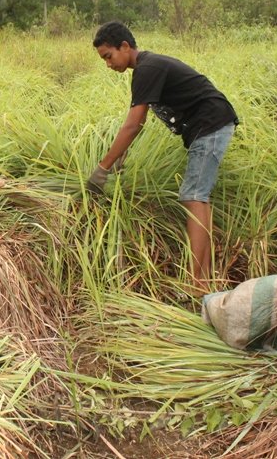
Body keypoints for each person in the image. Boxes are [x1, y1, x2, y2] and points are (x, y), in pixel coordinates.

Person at [86, 21, 238, 292]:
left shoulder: (147, 68)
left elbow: (133, 123)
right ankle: (205, 278)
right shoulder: (147, 67)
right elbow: (138, 124)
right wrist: (123, 154)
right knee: (196, 197)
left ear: (124, 46)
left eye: (108, 56)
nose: (108, 64)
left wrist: (102, 169)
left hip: (211, 124)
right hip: (207, 126)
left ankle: (198, 283)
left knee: (193, 196)